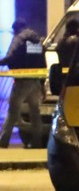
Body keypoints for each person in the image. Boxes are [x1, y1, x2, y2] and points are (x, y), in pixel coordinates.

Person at [0, 20, 46, 149]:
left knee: (12, 111)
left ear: (16, 29)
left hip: (22, 81)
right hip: (36, 81)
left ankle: (3, 142)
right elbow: (43, 62)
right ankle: (37, 143)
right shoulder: (37, 40)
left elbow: (10, 57)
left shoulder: (19, 38)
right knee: (35, 113)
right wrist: (42, 83)